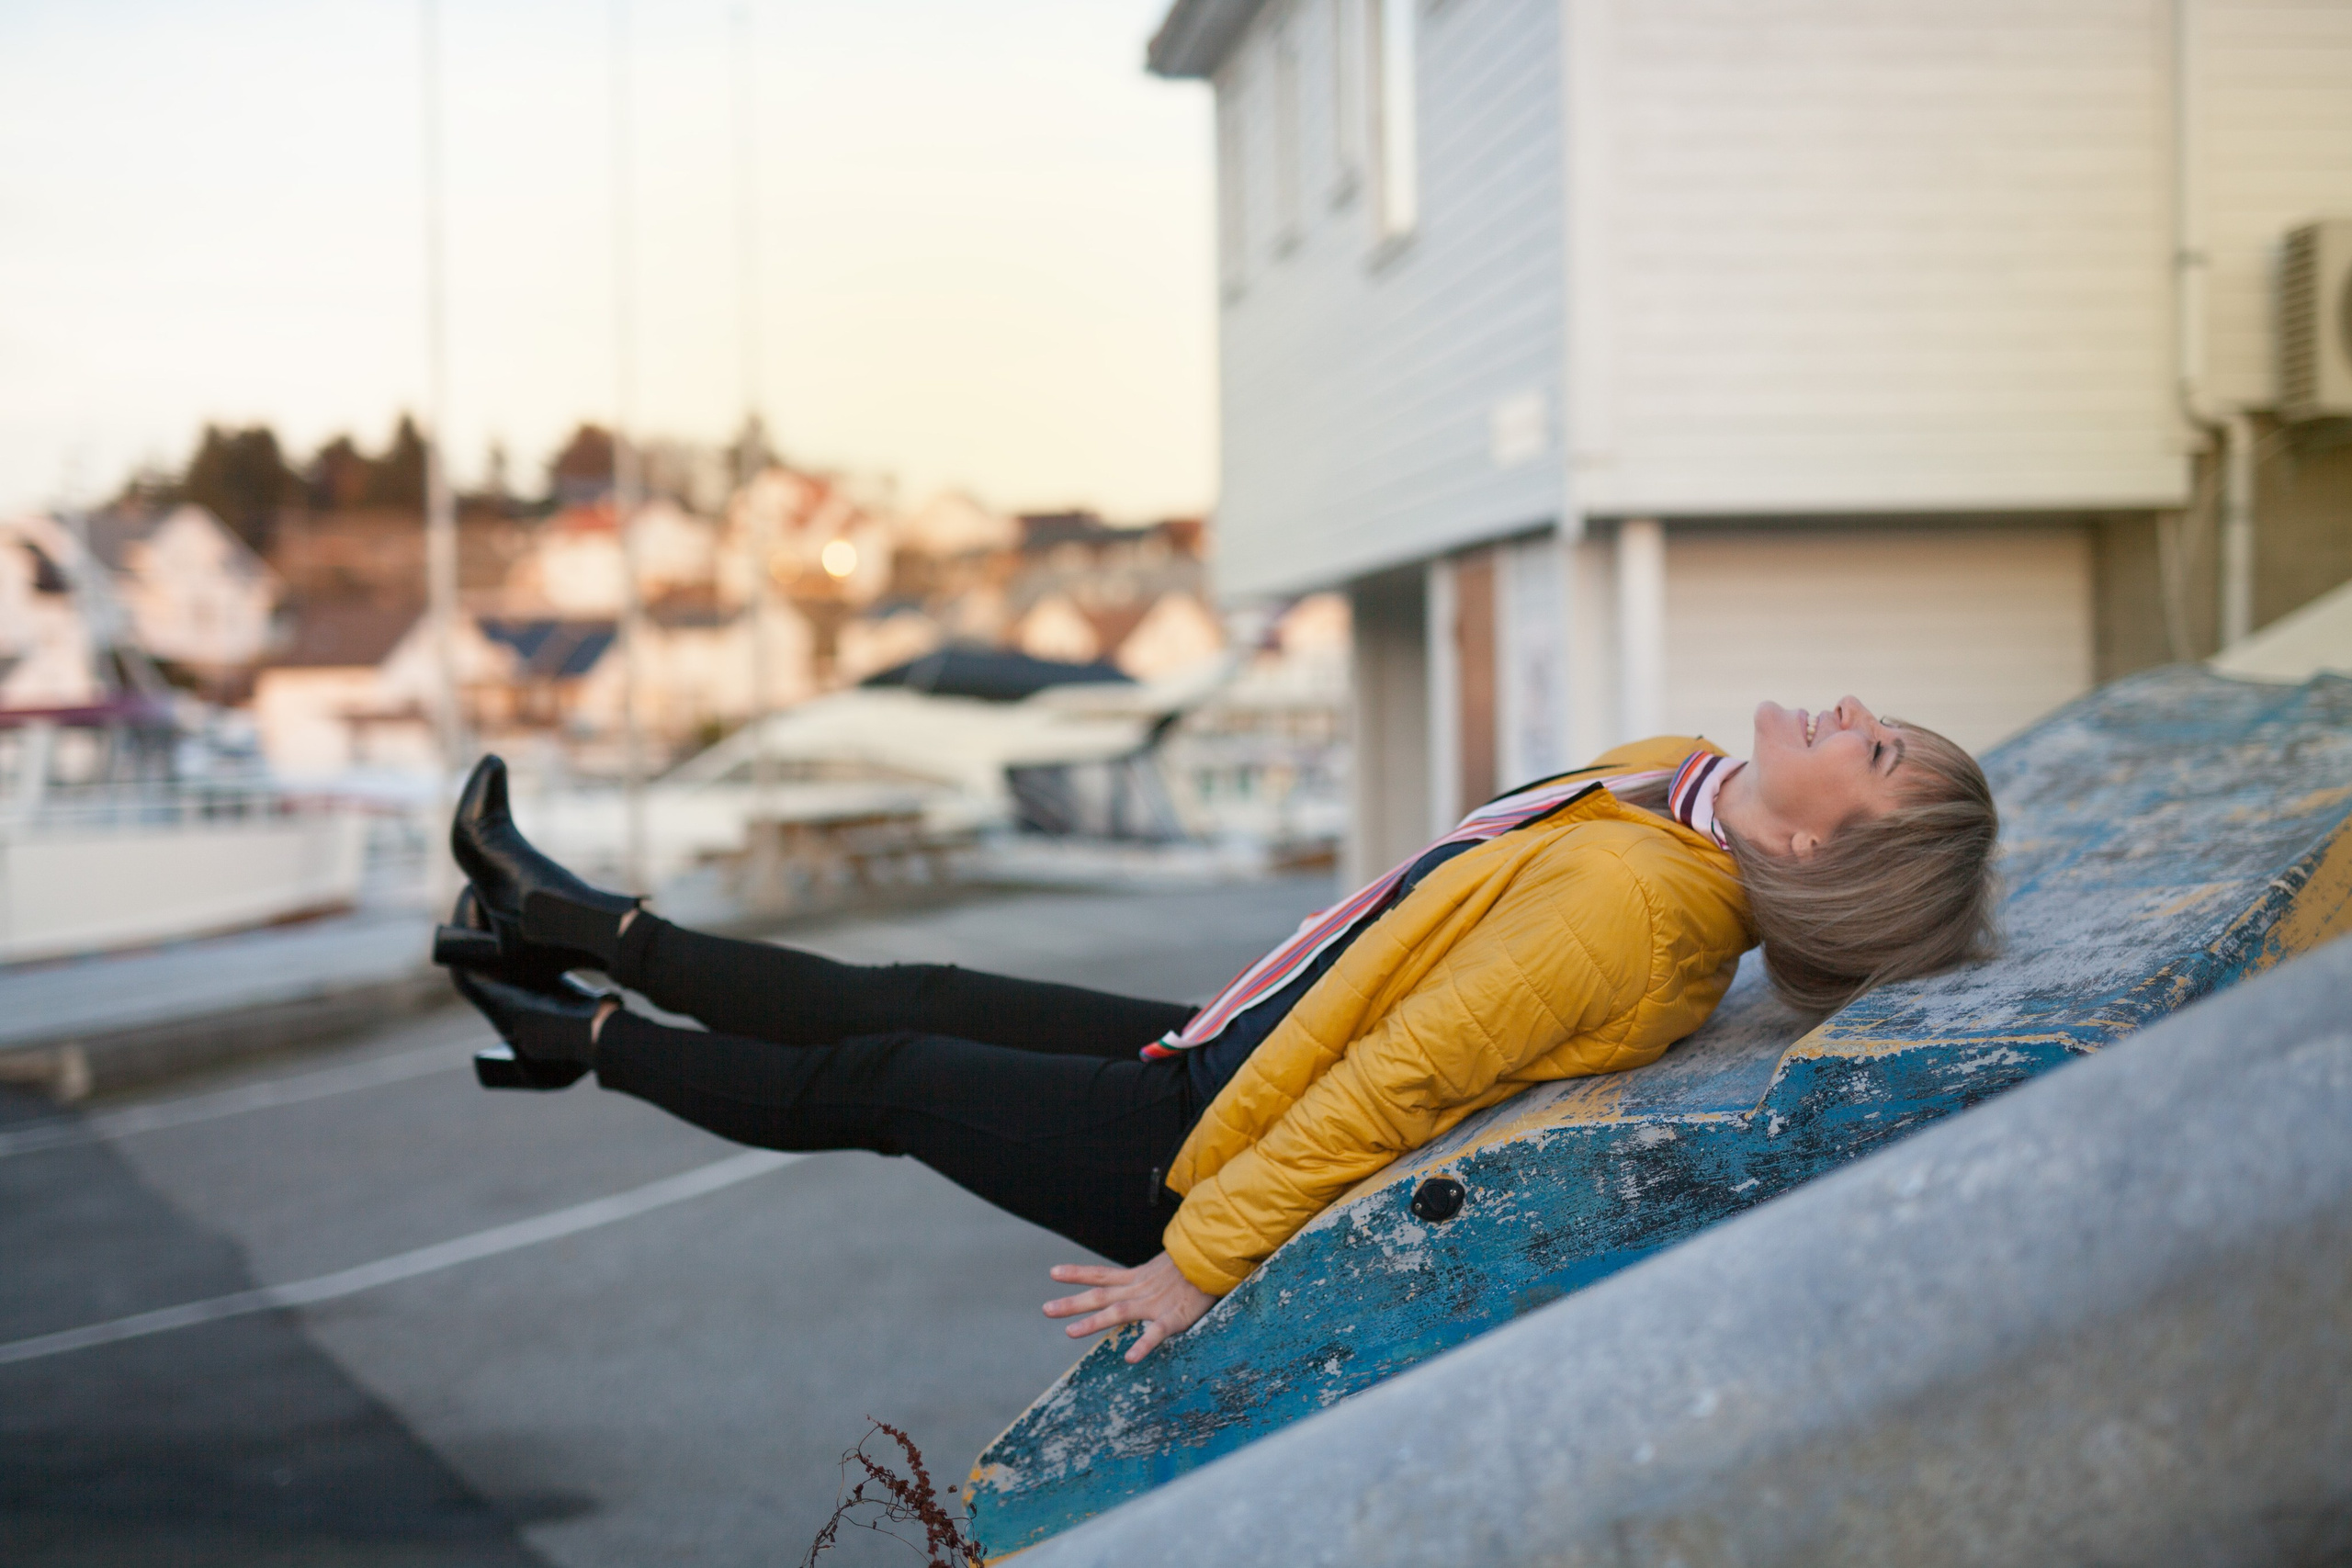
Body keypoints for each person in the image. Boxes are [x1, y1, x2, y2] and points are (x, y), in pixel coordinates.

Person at [437, 697, 1996, 1361]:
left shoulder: (1641, 914)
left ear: (1814, 848)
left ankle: (573, 1036)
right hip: (1228, 1049)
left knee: (888, 1077)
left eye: (1874, 751)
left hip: (1200, 1150)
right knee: (913, 996)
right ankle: (566, 918)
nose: (1854, 710)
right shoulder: (1677, 779)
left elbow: (1406, 1081)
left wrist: (1201, 1257)